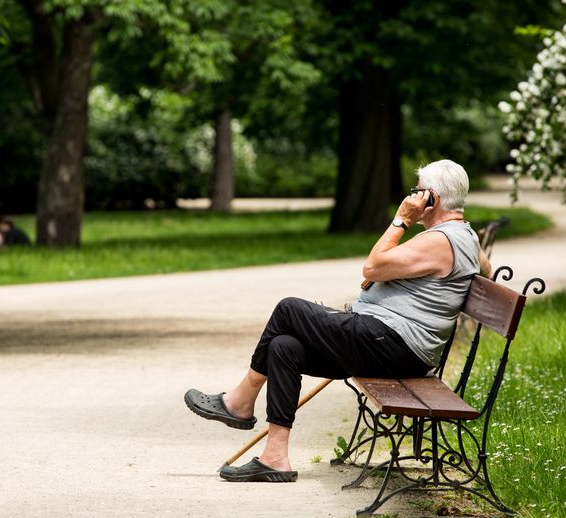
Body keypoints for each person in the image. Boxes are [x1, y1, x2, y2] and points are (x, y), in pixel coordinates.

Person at [184, 159, 492, 483]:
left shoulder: (440, 240)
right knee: (283, 346)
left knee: (289, 309)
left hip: (391, 344)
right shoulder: (462, 235)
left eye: (417, 193)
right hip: (388, 344)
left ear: (431, 198)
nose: (411, 197)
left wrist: (401, 220)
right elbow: (483, 267)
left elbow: (372, 267)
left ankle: (239, 401)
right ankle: (275, 457)